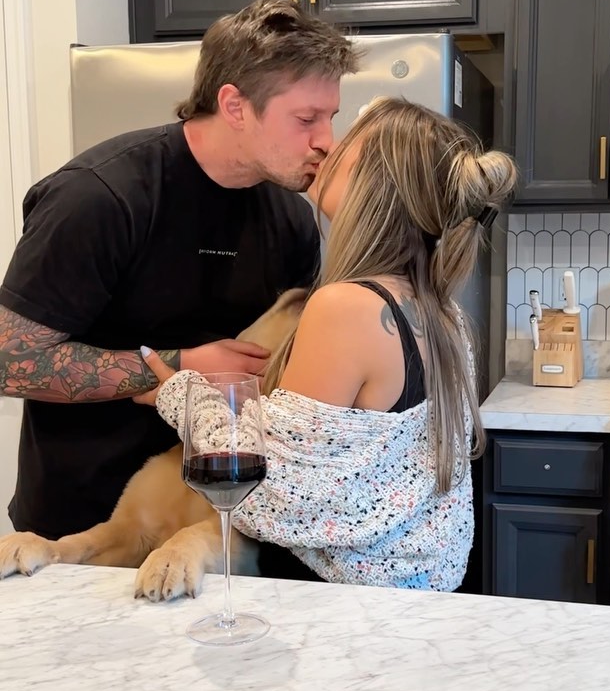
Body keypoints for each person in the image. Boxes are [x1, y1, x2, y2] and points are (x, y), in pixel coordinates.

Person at [0, 0, 358, 540]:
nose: (325, 141)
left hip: (221, 524)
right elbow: (9, 362)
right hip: (81, 523)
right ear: (234, 105)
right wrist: (182, 366)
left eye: (330, 118)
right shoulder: (100, 198)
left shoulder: (291, 218)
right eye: (306, 119)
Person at [137, 97, 516, 596]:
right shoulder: (445, 313)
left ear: (372, 184)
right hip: (419, 599)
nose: (324, 147)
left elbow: (273, 497)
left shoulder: (345, 306)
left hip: (345, 605)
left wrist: (182, 395)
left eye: (345, 142)